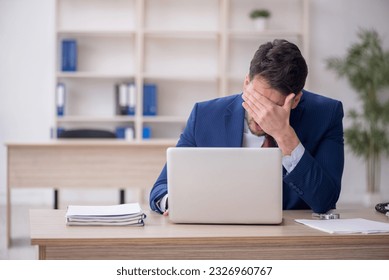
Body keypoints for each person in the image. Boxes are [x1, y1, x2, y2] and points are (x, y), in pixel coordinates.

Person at [149, 39, 344, 215]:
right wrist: (172, 203)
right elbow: (161, 188)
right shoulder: (205, 115)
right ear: (246, 83)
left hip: (292, 239)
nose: (262, 115)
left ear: (295, 101)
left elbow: (325, 201)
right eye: (256, 100)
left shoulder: (326, 114)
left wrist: (285, 136)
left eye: (274, 107)